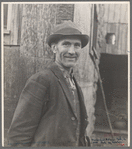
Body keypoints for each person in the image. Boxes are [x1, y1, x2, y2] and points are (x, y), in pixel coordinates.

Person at [7, 20, 90, 147]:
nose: (72, 51)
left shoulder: (73, 82)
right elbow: (19, 135)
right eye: (66, 44)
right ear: (54, 48)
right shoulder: (42, 80)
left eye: (77, 45)